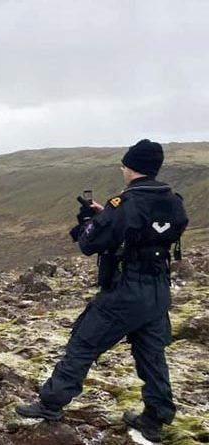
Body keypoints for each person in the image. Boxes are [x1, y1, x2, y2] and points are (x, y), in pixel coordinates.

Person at [16, 140, 189, 443]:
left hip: (125, 291)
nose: (122, 169)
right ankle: (155, 418)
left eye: (124, 165)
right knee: (152, 355)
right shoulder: (173, 200)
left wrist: (91, 221)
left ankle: (50, 404)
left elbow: (89, 243)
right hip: (158, 290)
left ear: (130, 167)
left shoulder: (123, 204)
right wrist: (107, 217)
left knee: (84, 342)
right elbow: (150, 231)